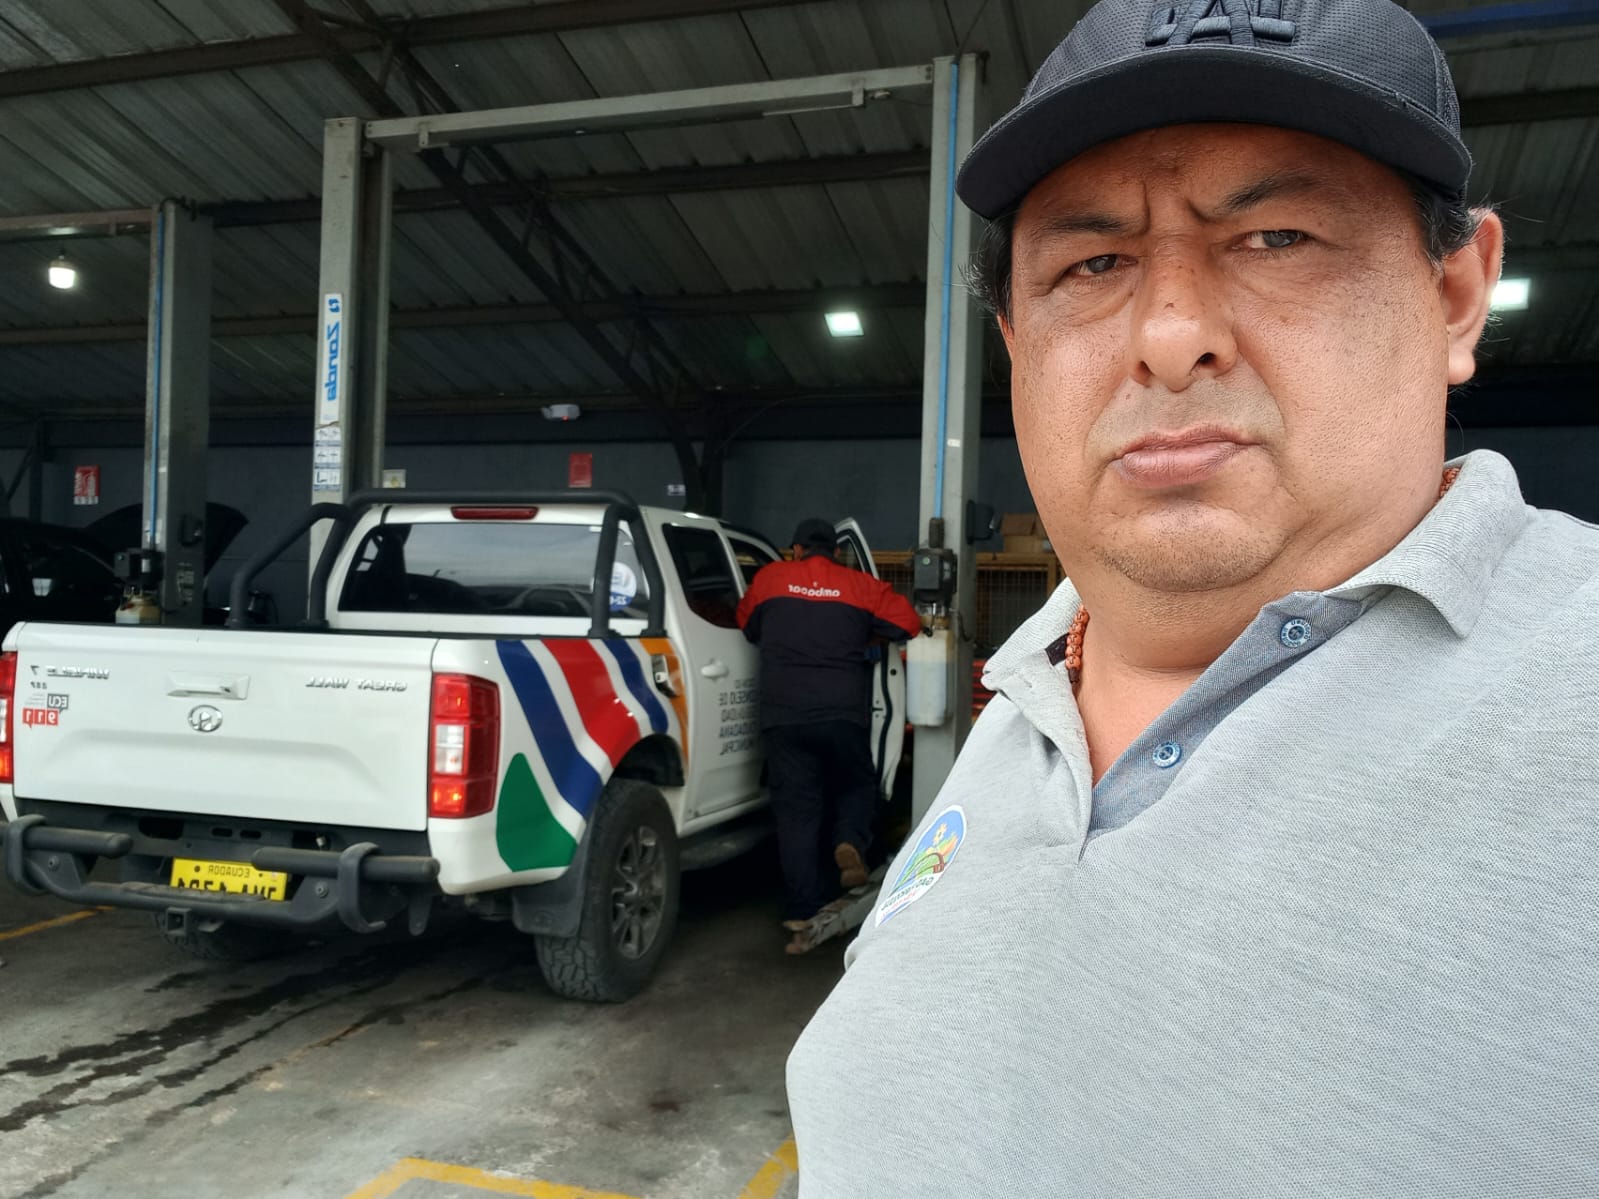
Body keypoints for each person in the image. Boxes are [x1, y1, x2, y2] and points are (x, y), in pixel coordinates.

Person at [786, 0, 1599, 1193]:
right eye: (1093, 263)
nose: (1170, 334)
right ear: (1016, 346)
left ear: (1456, 294)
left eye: (1275, 236)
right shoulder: (1027, 696)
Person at [737, 518, 921, 945]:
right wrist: (863, 636)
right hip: (841, 714)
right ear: (837, 552)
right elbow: (908, 623)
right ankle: (849, 839)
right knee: (857, 784)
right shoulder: (858, 585)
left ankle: (801, 910)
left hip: (784, 716)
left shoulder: (771, 579)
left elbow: (746, 624)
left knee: (797, 811)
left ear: (796, 550)